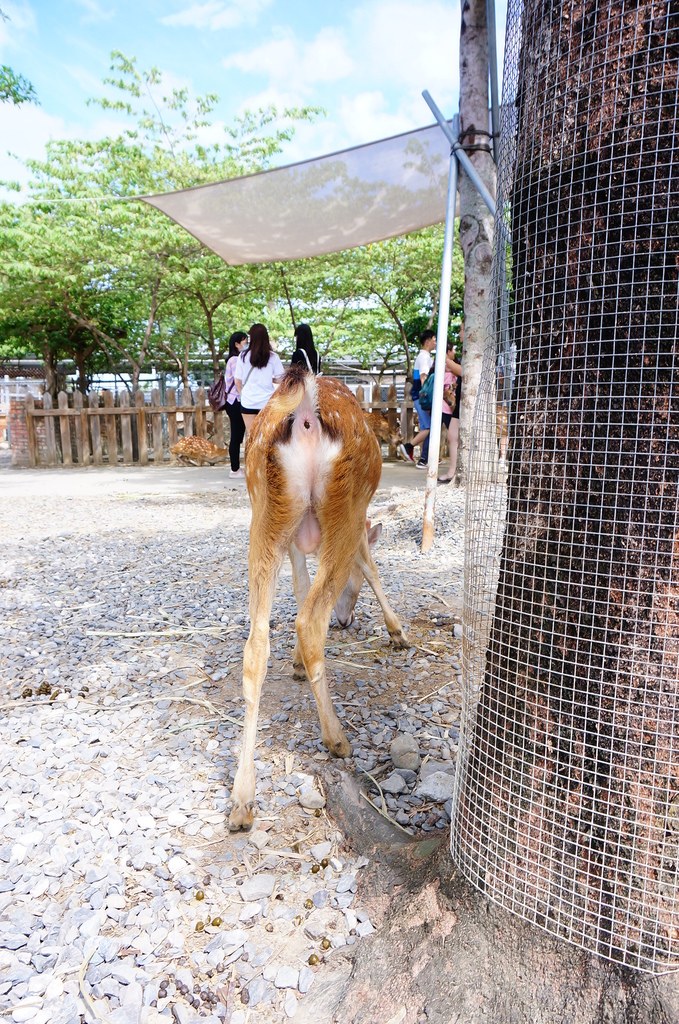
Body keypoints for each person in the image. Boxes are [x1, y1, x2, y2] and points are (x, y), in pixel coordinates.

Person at [235, 323, 285, 435]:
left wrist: (241, 396)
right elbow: (281, 379)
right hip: (267, 403)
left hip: (248, 402)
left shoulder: (243, 356)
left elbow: (237, 381)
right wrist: (271, 380)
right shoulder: (273, 357)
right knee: (267, 436)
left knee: (251, 435)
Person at [399, 328, 437, 467]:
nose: (436, 343)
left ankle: (425, 456)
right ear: (427, 342)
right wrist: (426, 399)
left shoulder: (423, 356)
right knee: (428, 428)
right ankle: (409, 446)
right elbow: (423, 378)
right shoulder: (425, 358)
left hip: (418, 397)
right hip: (421, 398)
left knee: (425, 427)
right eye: (434, 340)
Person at [438, 329, 463, 484]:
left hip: (465, 398)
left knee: (453, 435)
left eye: (461, 329)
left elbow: (463, 371)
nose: (460, 332)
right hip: (460, 397)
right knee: (452, 435)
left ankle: (452, 471)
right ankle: (452, 471)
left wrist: (445, 359)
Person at [223, 330, 248, 478]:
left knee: (238, 436)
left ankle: (237, 468)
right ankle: (234, 469)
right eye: (244, 341)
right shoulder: (235, 360)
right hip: (236, 401)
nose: (247, 344)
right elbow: (239, 381)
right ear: (237, 344)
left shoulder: (236, 359)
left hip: (235, 401)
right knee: (236, 436)